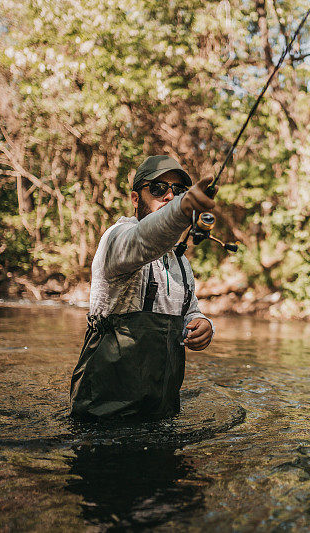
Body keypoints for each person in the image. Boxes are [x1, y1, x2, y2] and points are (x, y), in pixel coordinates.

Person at [70, 155, 216, 419]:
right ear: (136, 199)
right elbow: (143, 240)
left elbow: (189, 312)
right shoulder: (117, 239)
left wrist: (203, 325)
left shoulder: (180, 261)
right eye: (159, 189)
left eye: (179, 192)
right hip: (103, 414)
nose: (170, 197)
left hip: (161, 411)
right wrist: (181, 211)